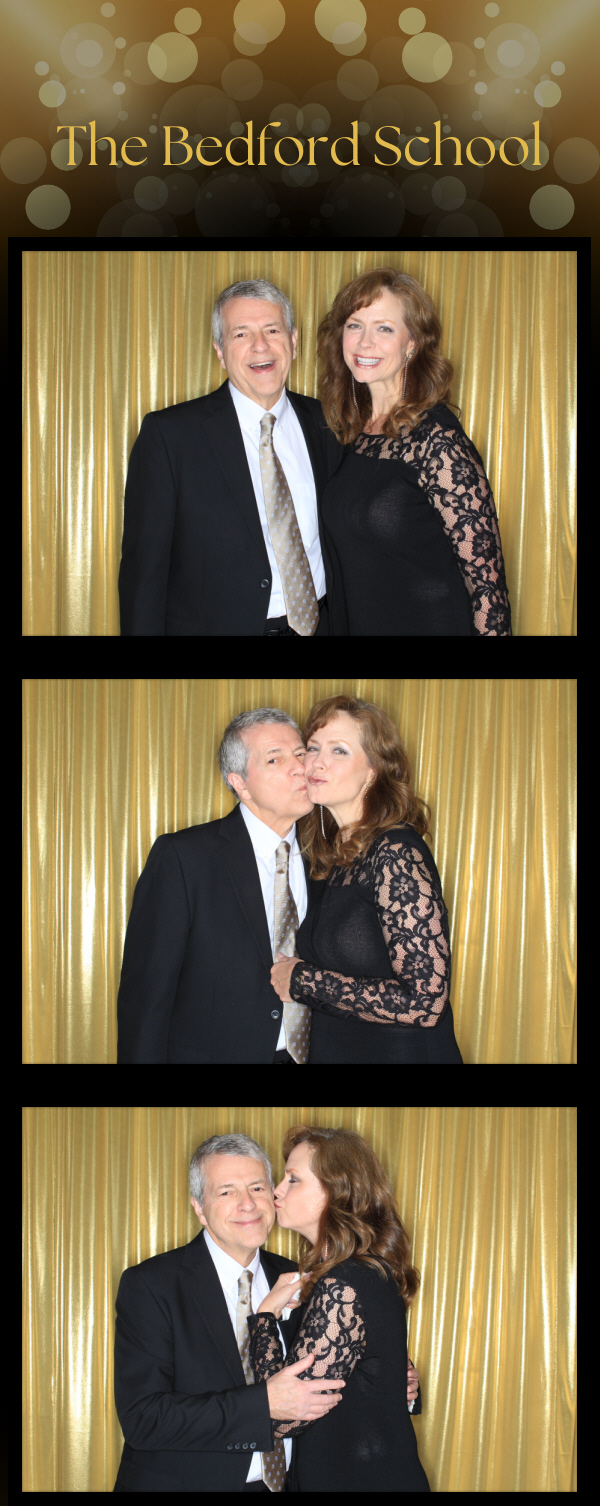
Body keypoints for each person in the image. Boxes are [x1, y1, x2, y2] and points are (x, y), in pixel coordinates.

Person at [113, 1132, 420, 1491]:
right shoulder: (151, 1284)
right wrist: (263, 1404)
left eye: (258, 1187)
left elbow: (341, 1369)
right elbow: (143, 1418)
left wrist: (391, 1382)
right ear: (199, 1207)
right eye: (226, 1192)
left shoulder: (306, 1277)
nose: (248, 1204)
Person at [118, 278, 343, 636]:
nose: (260, 345)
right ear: (220, 351)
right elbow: (143, 576)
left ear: (293, 342)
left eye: (272, 330)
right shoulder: (169, 436)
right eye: (241, 334)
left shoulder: (330, 424)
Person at [116, 706, 323, 1064]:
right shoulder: (183, 857)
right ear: (239, 783)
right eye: (275, 759)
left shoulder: (327, 857)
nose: (298, 768)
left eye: (301, 754)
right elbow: (147, 996)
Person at [317, 266, 512, 637]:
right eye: (355, 325)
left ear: (412, 344)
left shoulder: (436, 440)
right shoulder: (354, 432)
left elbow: (488, 592)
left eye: (384, 328)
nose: (364, 342)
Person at [270, 694, 464, 1064]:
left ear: (373, 770)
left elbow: (426, 1002)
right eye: (313, 748)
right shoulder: (330, 856)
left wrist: (302, 982)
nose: (317, 762)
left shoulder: (395, 851)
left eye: (339, 750)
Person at [248, 1125, 429, 1493]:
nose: (276, 1190)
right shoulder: (362, 1270)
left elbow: (285, 1419)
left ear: (335, 1191)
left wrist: (264, 1317)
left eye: (293, 1179)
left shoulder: (343, 1282)